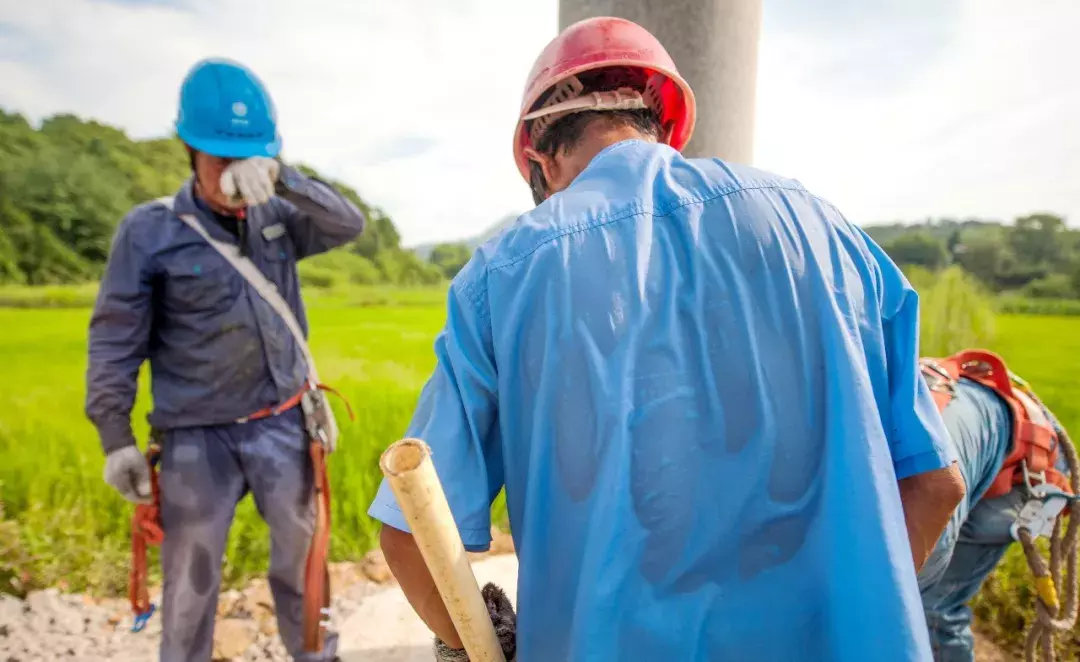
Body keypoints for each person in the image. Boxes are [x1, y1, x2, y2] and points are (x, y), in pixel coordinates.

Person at [367, 16, 966, 661]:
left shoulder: (501, 276)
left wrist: (483, 644)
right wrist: (852, 617)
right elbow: (936, 487)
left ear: (540, 160)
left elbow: (412, 535)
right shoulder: (822, 229)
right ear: (667, 128)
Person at [85, 57, 364, 662]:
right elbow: (114, 340)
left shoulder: (277, 215)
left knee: (303, 565)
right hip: (195, 440)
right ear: (189, 151)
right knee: (190, 584)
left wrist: (282, 179)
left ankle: (316, 655)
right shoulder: (149, 232)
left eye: (248, 162)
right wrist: (116, 438)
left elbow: (349, 223)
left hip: (282, 426)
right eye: (222, 163)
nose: (235, 179)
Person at [916, 351, 1073, 661]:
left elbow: (911, 572)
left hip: (1024, 467)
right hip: (976, 432)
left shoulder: (923, 472)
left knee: (930, 608)